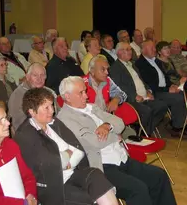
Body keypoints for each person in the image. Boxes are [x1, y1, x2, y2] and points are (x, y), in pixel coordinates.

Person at [57, 76, 177, 205]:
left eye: (85, 91)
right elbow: (95, 142)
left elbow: (120, 123)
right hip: (103, 166)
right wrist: (116, 136)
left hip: (121, 158)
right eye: (81, 93)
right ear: (67, 97)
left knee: (159, 176)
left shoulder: (92, 107)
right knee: (138, 189)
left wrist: (108, 126)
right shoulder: (65, 119)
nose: (86, 96)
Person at [15, 88, 118, 205]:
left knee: (96, 175)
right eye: (46, 108)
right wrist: (67, 153)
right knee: (88, 198)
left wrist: (66, 157)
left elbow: (79, 151)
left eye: (52, 105)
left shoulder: (54, 123)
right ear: (32, 112)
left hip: (72, 174)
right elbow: (52, 165)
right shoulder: (25, 135)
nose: (52, 111)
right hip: (54, 186)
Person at [109, 42, 168, 135]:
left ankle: (144, 131)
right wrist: (134, 95)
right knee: (147, 111)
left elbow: (142, 81)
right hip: (130, 100)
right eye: (127, 50)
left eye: (130, 50)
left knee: (162, 106)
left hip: (144, 97)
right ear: (119, 52)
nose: (130, 52)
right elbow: (118, 86)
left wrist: (148, 90)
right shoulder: (115, 68)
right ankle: (144, 132)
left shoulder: (132, 65)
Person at [136, 40, 187, 137]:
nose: (154, 50)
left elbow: (165, 77)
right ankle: (176, 127)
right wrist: (167, 90)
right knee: (178, 98)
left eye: (154, 47)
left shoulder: (156, 61)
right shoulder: (140, 64)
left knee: (183, 93)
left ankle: (180, 123)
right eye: (151, 48)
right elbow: (149, 83)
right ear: (143, 50)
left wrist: (171, 85)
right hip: (155, 92)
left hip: (163, 88)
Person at [8, 62, 57, 130]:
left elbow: (58, 113)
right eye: (35, 75)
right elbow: (19, 124)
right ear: (27, 77)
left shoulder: (49, 92)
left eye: (42, 75)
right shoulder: (18, 95)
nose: (39, 79)